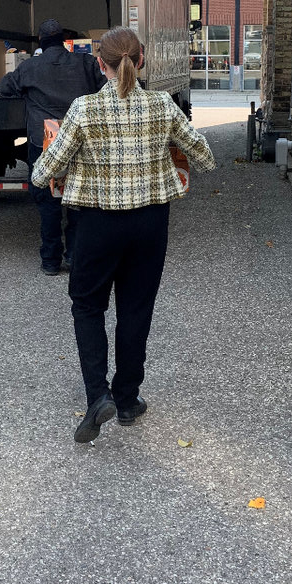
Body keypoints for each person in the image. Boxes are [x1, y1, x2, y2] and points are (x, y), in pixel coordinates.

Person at [31, 27, 216, 443]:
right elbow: (204, 157)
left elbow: (45, 171)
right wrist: (169, 159)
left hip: (97, 224)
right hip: (150, 224)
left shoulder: (83, 110)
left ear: (100, 64)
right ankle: (128, 399)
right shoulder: (163, 105)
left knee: (87, 306)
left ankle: (99, 396)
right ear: (143, 59)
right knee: (136, 310)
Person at [0, 17, 106, 275]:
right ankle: (75, 257)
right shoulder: (86, 63)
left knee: (48, 203)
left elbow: (5, 87)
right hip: (80, 142)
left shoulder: (31, 67)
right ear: (63, 41)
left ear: (41, 43)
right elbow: (104, 89)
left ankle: (50, 260)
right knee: (78, 200)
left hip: (44, 142)